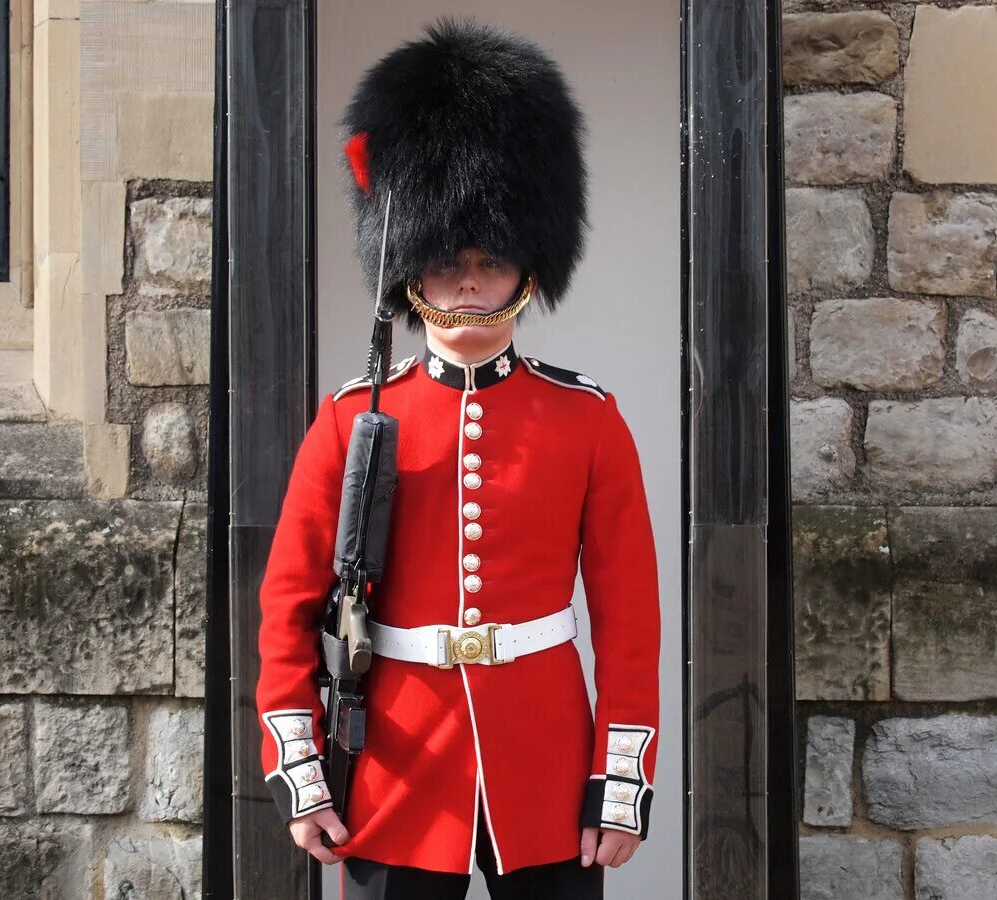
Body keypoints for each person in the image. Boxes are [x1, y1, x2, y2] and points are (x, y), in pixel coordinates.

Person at [255, 19, 661, 899]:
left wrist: (619, 776)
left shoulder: (587, 419)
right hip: (398, 765)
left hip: (547, 765)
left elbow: (629, 621)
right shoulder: (349, 420)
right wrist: (300, 765)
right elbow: (288, 606)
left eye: (489, 260)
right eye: (444, 263)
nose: (468, 282)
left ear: (527, 268)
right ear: (409, 273)